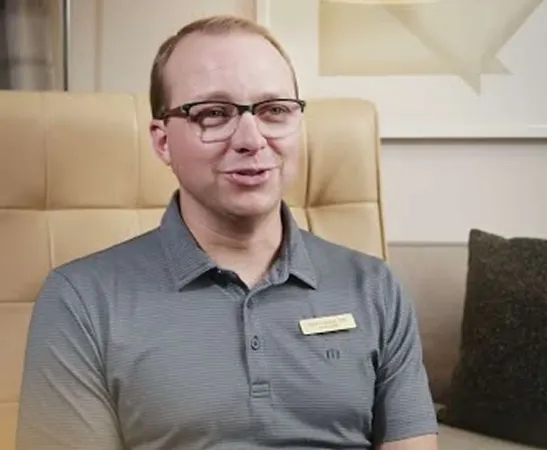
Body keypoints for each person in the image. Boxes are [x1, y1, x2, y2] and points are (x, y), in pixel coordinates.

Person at [15, 15, 439, 450]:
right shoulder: (81, 299)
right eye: (214, 114)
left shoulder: (375, 286)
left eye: (274, 110)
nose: (251, 139)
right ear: (163, 142)